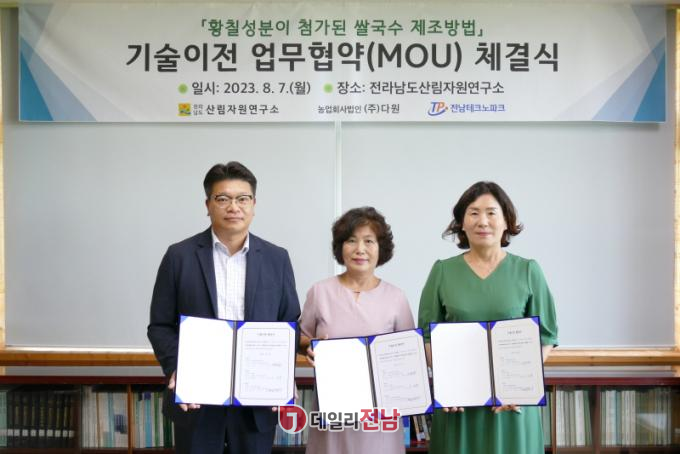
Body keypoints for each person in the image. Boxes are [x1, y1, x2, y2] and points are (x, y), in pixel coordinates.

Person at [147, 162, 301, 454]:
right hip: (197, 399)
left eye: (243, 198)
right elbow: (160, 325)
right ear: (208, 205)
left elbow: (289, 322)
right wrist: (178, 368)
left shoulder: (277, 258)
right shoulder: (179, 256)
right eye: (223, 198)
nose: (234, 207)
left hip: (256, 400)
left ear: (254, 205)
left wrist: (280, 373)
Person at [418, 181, 558, 454]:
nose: (482, 221)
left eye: (491, 213)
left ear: (507, 221)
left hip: (512, 405)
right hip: (458, 406)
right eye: (473, 213)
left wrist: (517, 385)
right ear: (461, 223)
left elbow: (546, 337)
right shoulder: (442, 271)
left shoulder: (529, 270)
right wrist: (450, 383)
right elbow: (426, 337)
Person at [299, 207, 414, 454]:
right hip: (332, 414)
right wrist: (309, 346)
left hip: (379, 418)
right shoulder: (320, 292)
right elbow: (302, 338)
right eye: (351, 240)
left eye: (369, 241)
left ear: (381, 249)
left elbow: (408, 357)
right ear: (340, 247)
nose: (360, 249)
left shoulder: (396, 297)